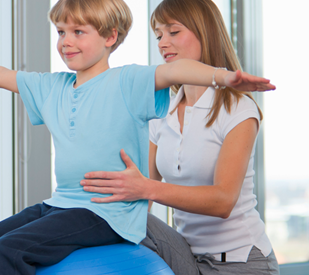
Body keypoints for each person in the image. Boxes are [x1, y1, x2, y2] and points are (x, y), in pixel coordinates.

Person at [0, 0, 275, 274]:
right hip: (70, 206)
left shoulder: (131, 82)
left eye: (78, 31)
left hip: (228, 256)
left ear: (110, 37)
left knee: (10, 251)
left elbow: (176, 74)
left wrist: (224, 77)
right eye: (60, 32)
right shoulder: (56, 87)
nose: (65, 41)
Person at [80, 0, 280, 274]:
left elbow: (223, 201)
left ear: (204, 32)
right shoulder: (162, 112)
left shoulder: (238, 109)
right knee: (123, 217)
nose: (163, 43)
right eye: (159, 35)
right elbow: (141, 195)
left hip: (241, 262)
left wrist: (145, 188)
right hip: (187, 256)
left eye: (173, 32)